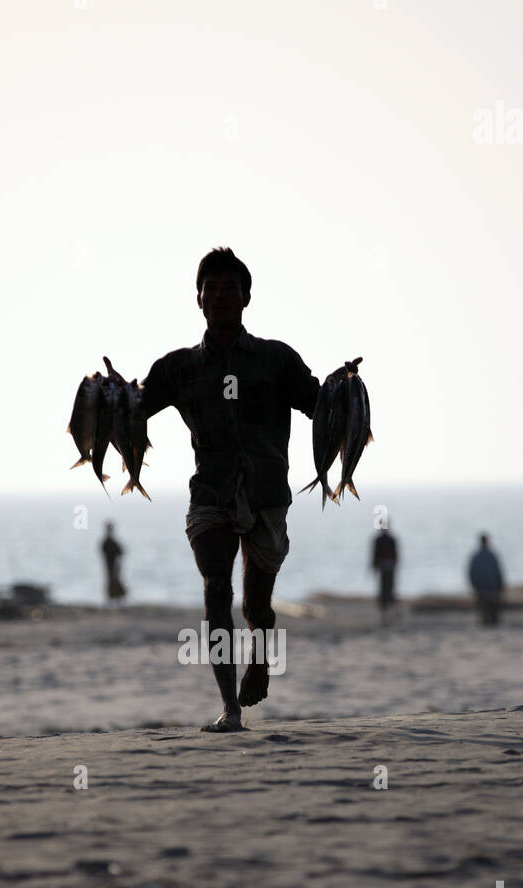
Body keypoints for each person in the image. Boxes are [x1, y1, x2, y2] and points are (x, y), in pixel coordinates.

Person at [107, 247, 352, 731]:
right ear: (198, 300)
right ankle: (230, 707)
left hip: (266, 497)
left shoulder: (276, 359)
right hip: (210, 498)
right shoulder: (177, 369)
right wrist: (110, 395)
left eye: (229, 288)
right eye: (210, 289)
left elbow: (317, 404)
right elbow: (132, 412)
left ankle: (261, 658)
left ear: (246, 298)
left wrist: (344, 385)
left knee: (255, 606)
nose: (220, 296)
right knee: (216, 590)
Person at [468, 533, 505, 625]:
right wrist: (500, 584)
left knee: (485, 607)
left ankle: (488, 622)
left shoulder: (477, 556)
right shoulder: (491, 555)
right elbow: (498, 571)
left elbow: (471, 572)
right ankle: (491, 622)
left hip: (482, 586)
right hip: (490, 586)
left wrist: (473, 584)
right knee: (490, 606)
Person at [371, 524, 399, 620]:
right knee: (384, 588)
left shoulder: (390, 539)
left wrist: (374, 566)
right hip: (384, 566)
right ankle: (385, 611)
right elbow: (375, 554)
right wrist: (374, 566)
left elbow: (395, 554)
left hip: (388, 565)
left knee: (389, 588)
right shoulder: (380, 540)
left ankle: (388, 610)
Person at [100, 522, 126, 602]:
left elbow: (121, 552)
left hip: (114, 564)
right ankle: (112, 598)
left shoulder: (111, 541)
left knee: (114, 581)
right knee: (111, 581)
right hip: (110, 564)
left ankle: (116, 598)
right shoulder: (107, 541)